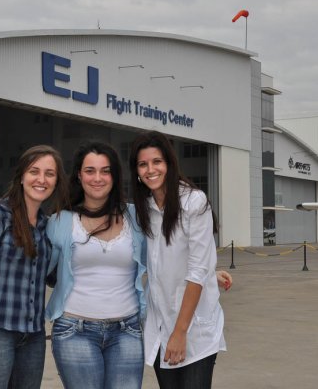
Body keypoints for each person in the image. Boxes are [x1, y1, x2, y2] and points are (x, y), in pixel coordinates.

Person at [0, 145, 68, 389]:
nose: (41, 179)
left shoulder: (46, 226)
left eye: (50, 174)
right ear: (21, 177)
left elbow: (52, 277)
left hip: (33, 336)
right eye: (34, 171)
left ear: (56, 181)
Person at [45, 141, 147, 389]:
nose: (98, 178)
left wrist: (209, 273)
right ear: (79, 175)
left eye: (105, 170)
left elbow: (166, 254)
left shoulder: (136, 217)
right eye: (90, 171)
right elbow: (40, 270)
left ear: (114, 176)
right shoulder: (60, 220)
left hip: (127, 330)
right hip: (74, 330)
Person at [129, 131, 226, 389]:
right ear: (137, 171)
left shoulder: (194, 202)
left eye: (157, 162)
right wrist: (213, 274)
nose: (151, 169)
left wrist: (180, 333)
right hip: (160, 325)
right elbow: (154, 263)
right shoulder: (143, 209)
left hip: (193, 328)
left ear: (169, 164)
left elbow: (197, 271)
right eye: (143, 164)